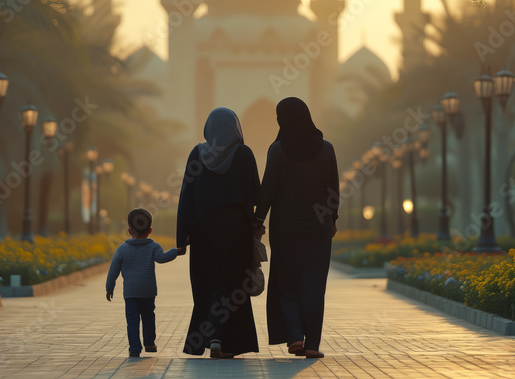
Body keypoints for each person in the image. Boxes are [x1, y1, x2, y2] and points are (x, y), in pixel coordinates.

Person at [255, 97, 339, 359]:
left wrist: (258, 221)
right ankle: (312, 344)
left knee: (288, 285)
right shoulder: (326, 149)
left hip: (286, 230)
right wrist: (332, 219)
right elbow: (333, 189)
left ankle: (294, 337)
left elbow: (267, 189)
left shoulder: (277, 150)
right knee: (314, 286)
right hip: (318, 229)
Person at [177, 107, 261, 359]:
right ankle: (222, 340)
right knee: (232, 285)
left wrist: (182, 237)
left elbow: (186, 196)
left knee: (208, 284)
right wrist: (257, 224)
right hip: (237, 232)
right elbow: (256, 193)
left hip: (204, 234)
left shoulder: (197, 153)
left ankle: (211, 337)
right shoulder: (244, 154)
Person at [105, 208, 185, 357]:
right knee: (149, 317)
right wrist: (176, 251)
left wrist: (109, 288)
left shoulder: (122, 249)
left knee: (132, 320)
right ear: (150, 230)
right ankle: (149, 343)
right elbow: (162, 258)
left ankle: (134, 347)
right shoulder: (153, 246)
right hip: (148, 291)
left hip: (130, 293)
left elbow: (113, 271)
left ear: (129, 231)